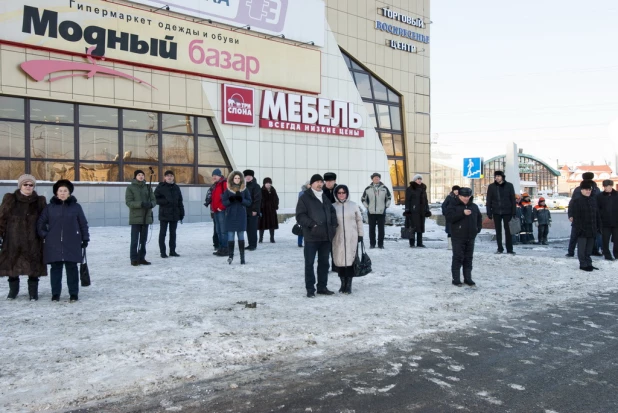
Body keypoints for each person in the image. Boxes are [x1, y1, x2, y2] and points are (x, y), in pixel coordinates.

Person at [37, 180, 89, 302]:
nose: (62, 193)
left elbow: (83, 224)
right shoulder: (49, 208)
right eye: (60, 191)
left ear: (69, 193)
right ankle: (55, 294)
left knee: (72, 269)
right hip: (53, 244)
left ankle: (73, 294)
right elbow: (40, 223)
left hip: (72, 243)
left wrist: (85, 238)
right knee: (55, 270)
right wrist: (46, 235)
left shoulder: (76, 207)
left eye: (65, 191)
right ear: (56, 193)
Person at [0, 174, 47, 300]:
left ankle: (33, 293)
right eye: (25, 184)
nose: (28, 187)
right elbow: (1, 219)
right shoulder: (10, 199)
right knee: (12, 268)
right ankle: (13, 292)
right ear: (20, 185)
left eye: (31, 185)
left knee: (33, 268)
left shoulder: (40, 201)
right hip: (13, 241)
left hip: (33, 241)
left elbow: (45, 220)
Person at [296, 174, 338, 298]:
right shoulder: (305, 198)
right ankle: (310, 289)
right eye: (317, 182)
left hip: (325, 237)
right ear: (312, 183)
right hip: (311, 237)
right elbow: (300, 216)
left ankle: (322, 287)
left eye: (321, 182)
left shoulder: (324, 197)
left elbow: (332, 212)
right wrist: (312, 225)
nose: (320, 184)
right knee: (309, 264)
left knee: (324, 263)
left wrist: (333, 225)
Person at [445, 187, 482, 287]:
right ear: (459, 196)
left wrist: (477, 229)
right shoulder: (453, 205)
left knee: (468, 258)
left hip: (471, 236)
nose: (466, 198)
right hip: (458, 236)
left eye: (468, 196)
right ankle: (456, 279)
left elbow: (479, 218)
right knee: (458, 257)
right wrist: (462, 213)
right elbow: (449, 218)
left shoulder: (473, 206)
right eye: (464, 196)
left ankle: (468, 278)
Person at [332, 184, 364, 294]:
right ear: (336, 194)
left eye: (343, 192)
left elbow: (359, 220)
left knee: (350, 261)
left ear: (347, 193)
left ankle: (349, 285)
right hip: (338, 237)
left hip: (351, 237)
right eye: (339, 193)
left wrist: (360, 234)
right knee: (340, 261)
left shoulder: (353, 205)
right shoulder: (333, 207)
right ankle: (342, 284)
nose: (341, 195)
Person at [125, 169, 156, 266]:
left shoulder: (148, 187)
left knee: (143, 239)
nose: (141, 176)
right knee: (134, 239)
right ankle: (134, 258)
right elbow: (129, 202)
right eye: (139, 175)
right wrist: (141, 204)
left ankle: (141, 257)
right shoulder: (130, 187)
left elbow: (154, 199)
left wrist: (150, 204)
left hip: (146, 216)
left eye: (142, 175)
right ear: (135, 176)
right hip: (136, 217)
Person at [566, 172, 601, 257]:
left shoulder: (578, 189)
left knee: (575, 234)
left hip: (582, 216)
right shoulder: (596, 189)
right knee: (593, 234)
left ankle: (571, 252)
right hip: (591, 215)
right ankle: (594, 250)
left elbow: (572, 202)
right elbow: (599, 203)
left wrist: (570, 214)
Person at [221, 171, 252, 265]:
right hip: (230, 216)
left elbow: (249, 202)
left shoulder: (244, 190)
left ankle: (242, 258)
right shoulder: (228, 190)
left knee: (241, 236)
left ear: (241, 179)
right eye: (235, 178)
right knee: (230, 236)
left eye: (239, 178)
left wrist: (241, 200)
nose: (237, 180)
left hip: (241, 216)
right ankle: (230, 256)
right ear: (232, 179)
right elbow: (224, 202)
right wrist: (230, 200)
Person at [570, 181, 601, 271]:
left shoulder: (593, 200)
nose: (588, 191)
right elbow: (576, 217)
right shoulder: (577, 201)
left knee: (589, 249)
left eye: (589, 190)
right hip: (582, 230)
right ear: (582, 190)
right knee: (582, 249)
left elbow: (597, 214)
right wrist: (580, 228)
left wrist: (598, 226)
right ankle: (583, 264)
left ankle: (589, 263)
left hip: (592, 229)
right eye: (586, 190)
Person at [155, 170, 185, 258]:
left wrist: (181, 212)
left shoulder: (176, 187)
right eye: (167, 176)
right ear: (165, 177)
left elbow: (180, 201)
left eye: (171, 176)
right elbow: (155, 198)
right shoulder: (161, 187)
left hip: (174, 214)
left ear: (173, 177)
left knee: (173, 233)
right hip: (164, 214)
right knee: (163, 233)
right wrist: (165, 201)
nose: (169, 177)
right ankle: (163, 252)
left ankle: (172, 251)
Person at [485, 170, 517, 254]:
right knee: (498, 231)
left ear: (502, 177)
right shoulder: (491, 187)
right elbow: (489, 200)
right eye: (496, 176)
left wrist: (514, 211)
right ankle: (500, 248)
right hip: (496, 211)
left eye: (499, 176)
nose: (497, 178)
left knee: (508, 231)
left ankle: (509, 249)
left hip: (507, 211)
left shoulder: (509, 185)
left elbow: (513, 200)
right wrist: (489, 211)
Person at [361, 172, 392, 249]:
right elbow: (363, 199)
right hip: (371, 212)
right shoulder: (368, 189)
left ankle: (381, 244)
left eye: (378, 178)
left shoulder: (384, 188)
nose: (376, 179)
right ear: (372, 179)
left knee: (381, 229)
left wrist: (387, 205)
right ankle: (372, 244)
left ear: (379, 179)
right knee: (371, 229)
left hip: (381, 212)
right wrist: (367, 206)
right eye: (375, 178)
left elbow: (389, 197)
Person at [404, 174, 430, 248]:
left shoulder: (423, 188)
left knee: (420, 227)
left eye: (420, 179)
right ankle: (412, 243)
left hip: (421, 211)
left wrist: (427, 208)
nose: (419, 180)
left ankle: (419, 242)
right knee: (412, 227)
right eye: (418, 179)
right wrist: (407, 210)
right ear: (415, 180)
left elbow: (426, 200)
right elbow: (407, 200)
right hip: (413, 211)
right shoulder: (410, 189)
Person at [596, 179, 618, 260]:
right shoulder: (600, 196)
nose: (606, 188)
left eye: (607, 186)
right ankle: (607, 255)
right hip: (605, 223)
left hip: (616, 222)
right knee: (605, 240)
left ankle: (616, 254)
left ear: (611, 186)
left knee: (616, 240)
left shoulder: (616, 195)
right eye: (605, 186)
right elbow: (597, 209)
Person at [210, 169, 229, 257]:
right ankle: (221, 248)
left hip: (222, 211)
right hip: (216, 211)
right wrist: (213, 209)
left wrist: (221, 207)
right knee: (218, 231)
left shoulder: (224, 183)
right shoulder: (215, 185)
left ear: (220, 176)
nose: (214, 177)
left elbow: (227, 197)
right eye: (213, 175)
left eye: (216, 175)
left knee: (223, 230)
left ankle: (225, 248)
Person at [243, 169, 262, 251]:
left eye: (249, 176)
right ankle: (250, 244)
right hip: (245, 211)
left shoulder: (256, 186)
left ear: (252, 177)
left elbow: (258, 199)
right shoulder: (244, 186)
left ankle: (253, 244)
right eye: (246, 176)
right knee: (248, 228)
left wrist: (255, 210)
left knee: (252, 228)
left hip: (252, 211)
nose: (247, 178)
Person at [258, 177, 279, 243]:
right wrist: (261, 207)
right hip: (263, 210)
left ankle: (272, 238)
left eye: (269, 183)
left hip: (271, 210)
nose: (268, 184)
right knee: (262, 225)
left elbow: (276, 199)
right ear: (264, 184)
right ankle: (261, 238)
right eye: (267, 183)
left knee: (272, 225)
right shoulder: (261, 190)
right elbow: (259, 200)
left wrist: (275, 205)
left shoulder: (273, 190)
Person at [441, 185, 460, 250]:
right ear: (453, 191)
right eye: (455, 190)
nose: (456, 191)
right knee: (450, 231)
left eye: (457, 190)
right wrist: (446, 213)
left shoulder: (461, 197)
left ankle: (457, 245)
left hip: (458, 217)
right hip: (450, 217)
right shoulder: (449, 197)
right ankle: (450, 245)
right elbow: (444, 205)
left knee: (458, 231)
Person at [204, 179, 219, 251]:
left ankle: (220, 244)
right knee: (217, 228)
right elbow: (208, 197)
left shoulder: (223, 186)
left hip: (221, 210)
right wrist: (207, 202)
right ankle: (216, 244)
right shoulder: (213, 187)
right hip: (214, 210)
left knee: (219, 228)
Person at [297, 181, 310, 247]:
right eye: (308, 184)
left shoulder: (313, 192)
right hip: (302, 212)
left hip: (310, 212)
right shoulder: (301, 193)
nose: (309, 185)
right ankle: (299, 242)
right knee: (301, 229)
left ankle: (307, 242)